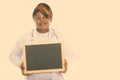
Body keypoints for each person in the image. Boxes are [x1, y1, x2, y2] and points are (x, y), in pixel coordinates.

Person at [9, 3, 68, 80]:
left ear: (50, 18)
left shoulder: (58, 36)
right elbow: (13, 55)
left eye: (44, 17)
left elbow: (71, 54)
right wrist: (21, 65)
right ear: (34, 19)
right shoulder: (26, 37)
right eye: (38, 18)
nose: (41, 20)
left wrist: (65, 63)